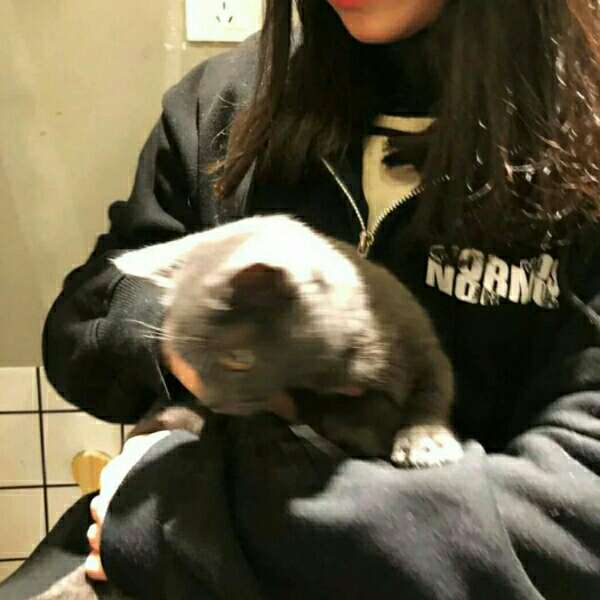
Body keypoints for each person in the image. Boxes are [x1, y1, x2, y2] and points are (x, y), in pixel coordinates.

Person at [4, 0, 600, 598]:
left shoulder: (582, 134)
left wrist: (191, 522)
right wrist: (187, 338)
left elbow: (574, 522)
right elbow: (81, 326)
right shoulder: (229, 100)